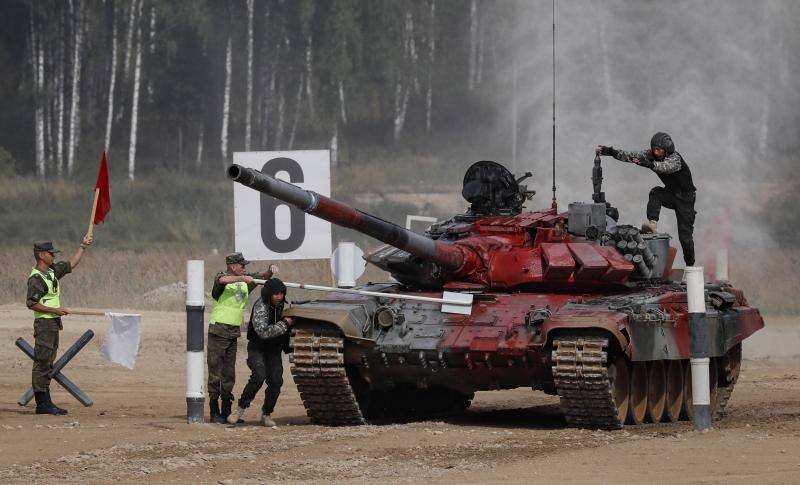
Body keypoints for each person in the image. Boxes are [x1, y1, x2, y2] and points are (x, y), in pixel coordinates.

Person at [598, 132, 697, 266]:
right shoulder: (650, 155)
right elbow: (630, 156)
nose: (657, 153)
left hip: (686, 198)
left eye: (660, 150)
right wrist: (611, 152)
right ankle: (652, 223)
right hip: (671, 194)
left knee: (685, 237)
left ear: (667, 150)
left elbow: (663, 168)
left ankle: (690, 267)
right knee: (655, 192)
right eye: (655, 149)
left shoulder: (675, 159)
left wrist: (648, 164)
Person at [26, 235, 93, 415]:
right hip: (44, 324)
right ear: (41, 255)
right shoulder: (36, 278)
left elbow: (71, 264)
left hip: (53, 323)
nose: (53, 257)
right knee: (42, 362)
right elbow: (31, 303)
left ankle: (46, 402)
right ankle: (42, 404)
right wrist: (55, 310)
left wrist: (83, 246)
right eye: (50, 254)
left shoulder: (52, 271)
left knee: (48, 361)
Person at [207, 253, 277, 424]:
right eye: (241, 265)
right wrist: (243, 278)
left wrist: (270, 271)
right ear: (232, 266)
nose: (244, 268)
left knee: (229, 374)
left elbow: (261, 277)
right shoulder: (222, 278)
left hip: (232, 333)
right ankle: (214, 411)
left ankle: (227, 411)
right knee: (215, 373)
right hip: (218, 331)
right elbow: (221, 281)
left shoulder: (245, 281)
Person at [228, 278, 294, 427]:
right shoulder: (261, 306)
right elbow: (263, 332)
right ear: (269, 294)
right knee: (259, 376)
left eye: (282, 293)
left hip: (274, 350)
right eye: (276, 294)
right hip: (257, 348)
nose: (279, 297)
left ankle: (266, 413)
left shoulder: (284, 307)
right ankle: (240, 409)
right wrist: (285, 324)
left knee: (276, 381)